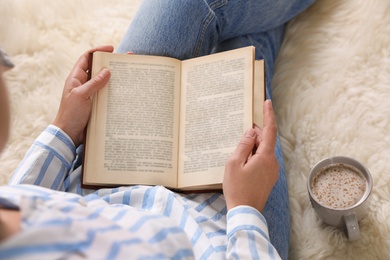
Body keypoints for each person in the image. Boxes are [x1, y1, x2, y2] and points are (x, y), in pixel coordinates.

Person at [0, 1, 315, 259]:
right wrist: (246, 209)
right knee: (245, 52)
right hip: (229, 224)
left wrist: (65, 129)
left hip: (104, 162)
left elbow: (20, 195)